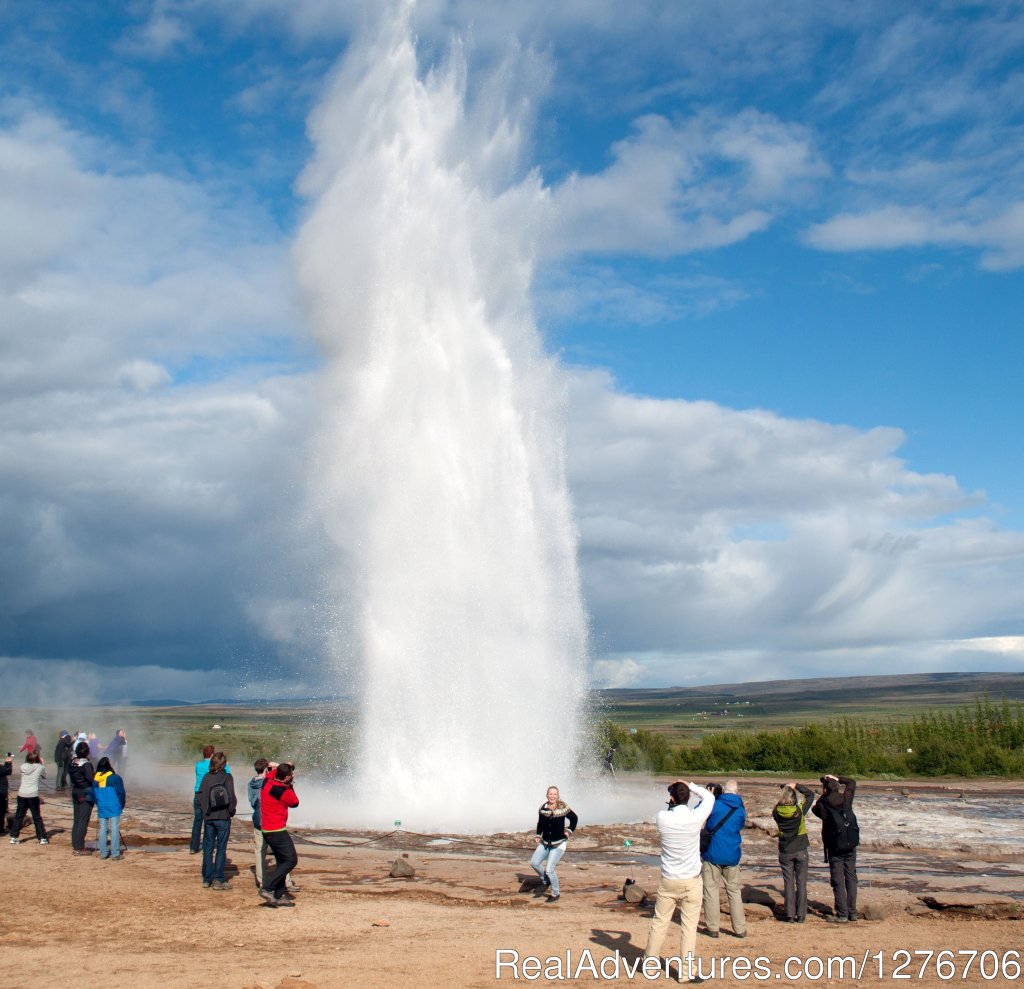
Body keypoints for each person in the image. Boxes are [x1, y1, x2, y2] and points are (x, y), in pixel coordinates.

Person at [645, 780, 716, 984]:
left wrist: (675, 798)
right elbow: (710, 797)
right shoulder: (695, 817)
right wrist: (691, 785)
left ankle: (650, 965)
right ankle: (686, 972)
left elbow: (667, 811)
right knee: (688, 928)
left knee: (660, 923)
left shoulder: (662, 817)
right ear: (688, 798)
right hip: (691, 880)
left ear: (672, 798)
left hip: (669, 879)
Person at [700, 779, 747, 939]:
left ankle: (713, 928)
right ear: (736, 791)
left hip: (713, 852)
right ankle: (740, 928)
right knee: (734, 891)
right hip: (732, 853)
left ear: (724, 790)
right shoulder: (741, 809)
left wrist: (708, 797)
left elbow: (699, 813)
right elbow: (739, 825)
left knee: (710, 890)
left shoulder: (714, 804)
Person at [812, 774, 860, 923]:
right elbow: (851, 782)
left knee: (838, 880)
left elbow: (814, 810)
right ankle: (852, 912)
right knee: (851, 878)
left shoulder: (824, 804)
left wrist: (824, 794)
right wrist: (837, 778)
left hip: (834, 847)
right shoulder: (846, 800)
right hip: (850, 845)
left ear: (825, 789)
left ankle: (842, 914)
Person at [772, 781, 816, 923]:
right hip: (800, 848)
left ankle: (790, 914)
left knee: (788, 883)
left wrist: (785, 787)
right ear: (794, 799)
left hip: (785, 849)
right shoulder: (799, 810)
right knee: (801, 883)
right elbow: (810, 795)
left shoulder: (776, 811)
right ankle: (801, 915)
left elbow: (782, 801)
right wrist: (796, 785)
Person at [259, 762, 300, 908]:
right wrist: (290, 784)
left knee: (282, 861)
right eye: (290, 776)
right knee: (291, 860)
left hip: (268, 829)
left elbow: (272, 772)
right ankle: (268, 888)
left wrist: (282, 768)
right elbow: (295, 802)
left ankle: (279, 894)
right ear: (287, 777)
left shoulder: (267, 781)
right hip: (276, 830)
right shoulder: (280, 790)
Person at [531, 786, 578, 903]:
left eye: (554, 794)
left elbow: (574, 818)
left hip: (558, 844)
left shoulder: (563, 807)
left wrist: (569, 831)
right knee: (534, 863)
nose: (552, 796)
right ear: (547, 795)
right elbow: (540, 823)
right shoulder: (543, 808)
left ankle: (555, 893)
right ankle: (546, 880)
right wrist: (538, 835)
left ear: (557, 795)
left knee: (549, 869)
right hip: (545, 842)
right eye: (550, 794)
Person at [198, 751, 237, 889]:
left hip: (209, 818)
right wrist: (231, 811)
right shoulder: (227, 777)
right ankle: (219, 879)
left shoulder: (207, 777)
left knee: (207, 849)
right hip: (223, 817)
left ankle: (207, 878)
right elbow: (231, 797)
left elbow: (200, 795)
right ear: (224, 764)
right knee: (221, 848)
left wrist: (205, 812)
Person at [190, 744, 232, 854]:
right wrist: (227, 765)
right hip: (211, 796)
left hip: (198, 794)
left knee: (197, 821)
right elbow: (227, 775)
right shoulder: (216, 766)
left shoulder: (198, 765)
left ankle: (193, 847)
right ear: (212, 755)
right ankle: (206, 847)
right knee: (208, 821)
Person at [10, 750, 48, 844]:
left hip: (22, 794)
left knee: (19, 816)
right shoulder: (40, 767)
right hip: (32, 795)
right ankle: (42, 838)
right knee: (37, 817)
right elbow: (44, 776)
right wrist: (42, 764)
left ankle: (13, 837)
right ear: (37, 759)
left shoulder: (22, 766)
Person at [92, 756, 127, 860]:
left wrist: (98, 804)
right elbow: (121, 793)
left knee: (103, 828)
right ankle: (115, 854)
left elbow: (94, 794)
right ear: (109, 765)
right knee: (114, 828)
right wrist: (121, 805)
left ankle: (103, 853)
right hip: (114, 805)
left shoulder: (95, 779)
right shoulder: (115, 777)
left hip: (102, 805)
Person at [69, 740, 96, 855]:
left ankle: (75, 843)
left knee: (77, 819)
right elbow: (91, 780)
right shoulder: (86, 764)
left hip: (75, 791)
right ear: (87, 752)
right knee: (83, 820)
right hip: (85, 792)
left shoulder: (72, 762)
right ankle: (79, 848)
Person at [0, 752, 12, 835]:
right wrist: (9, 763)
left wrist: (6, 764)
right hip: (1, 791)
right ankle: (1, 829)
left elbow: (4, 771)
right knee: (1, 810)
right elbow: (8, 771)